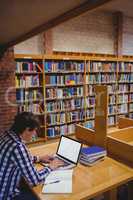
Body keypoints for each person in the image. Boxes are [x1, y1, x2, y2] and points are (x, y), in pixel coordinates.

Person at [0, 112, 63, 200]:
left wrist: (39, 158)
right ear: (27, 129)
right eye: (34, 131)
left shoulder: (6, 135)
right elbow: (35, 180)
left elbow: (18, 159)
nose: (35, 134)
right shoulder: (18, 147)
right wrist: (51, 167)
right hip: (6, 195)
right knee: (44, 196)